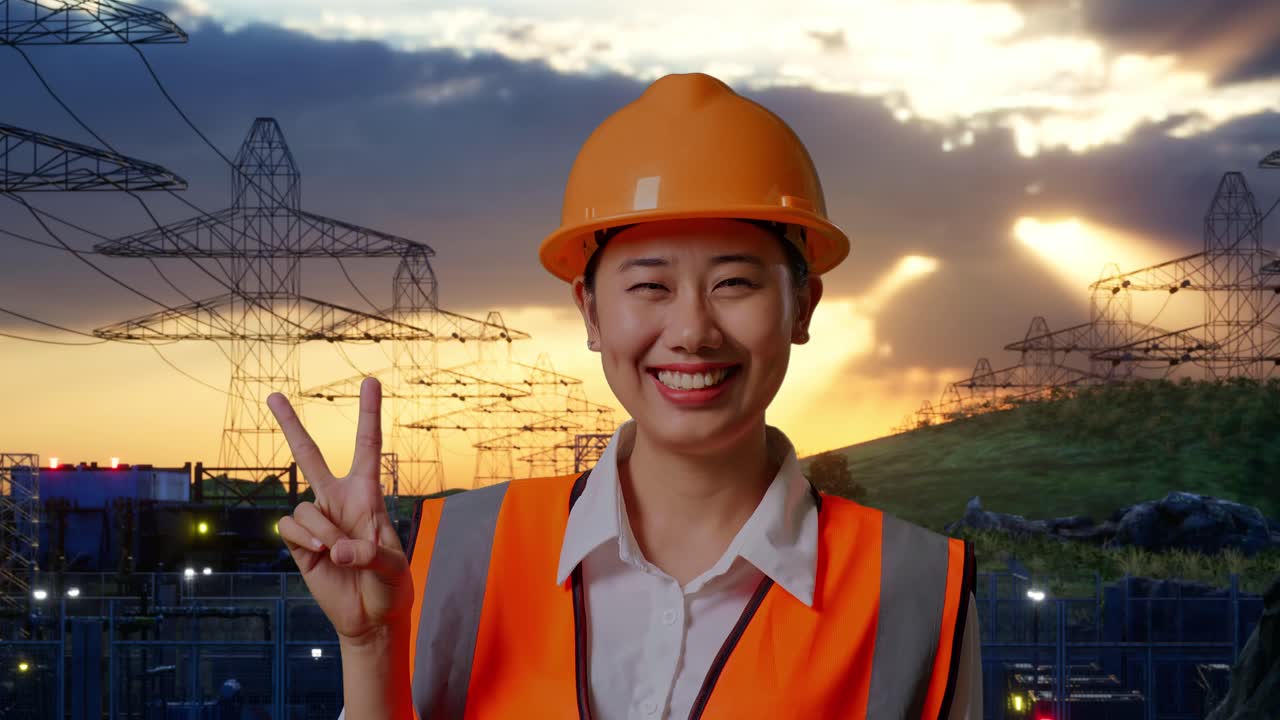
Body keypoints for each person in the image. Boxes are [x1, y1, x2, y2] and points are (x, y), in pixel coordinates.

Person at [268, 72, 982, 720]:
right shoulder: (456, 556)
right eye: (650, 286)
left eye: (735, 283)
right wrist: (369, 650)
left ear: (802, 307)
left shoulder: (918, 589)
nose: (693, 331)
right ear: (590, 313)